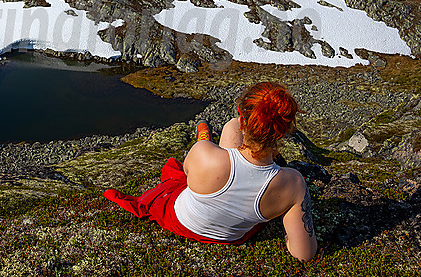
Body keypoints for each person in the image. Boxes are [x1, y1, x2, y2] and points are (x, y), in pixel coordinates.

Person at [103, 82, 319, 262]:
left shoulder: (203, 153)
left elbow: (187, 176)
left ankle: (207, 131)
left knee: (182, 169)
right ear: (283, 132)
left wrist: (209, 146)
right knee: (230, 128)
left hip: (181, 220)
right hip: (233, 235)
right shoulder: (293, 184)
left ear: (244, 120)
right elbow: (304, 254)